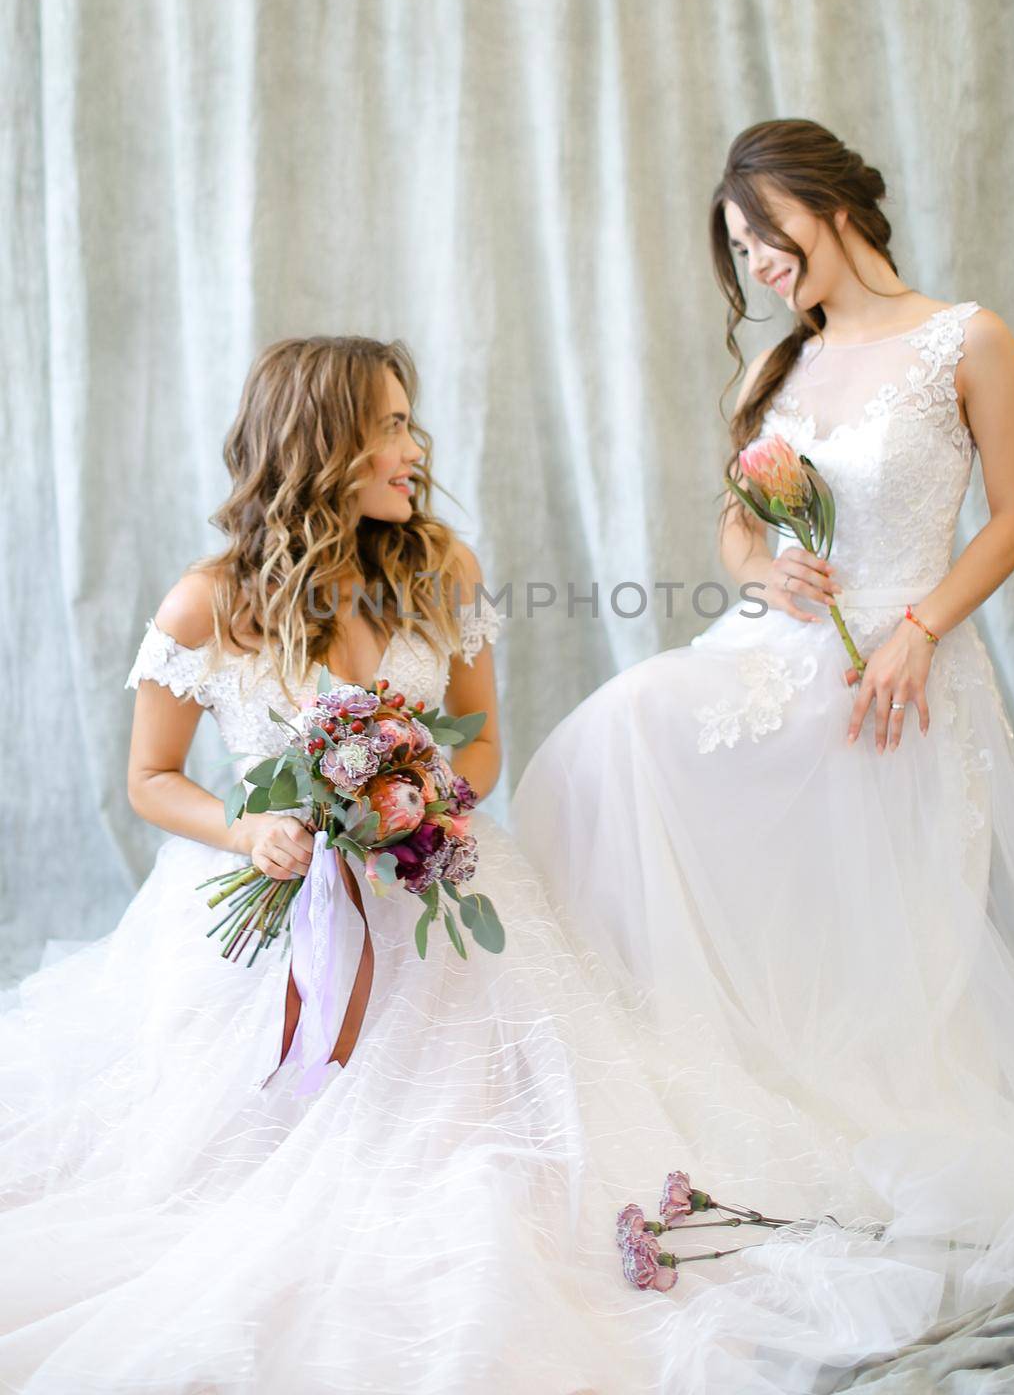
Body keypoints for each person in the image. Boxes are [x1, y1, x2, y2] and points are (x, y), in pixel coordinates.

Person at [2, 334, 776, 1394]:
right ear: (321, 444)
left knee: (497, 1147)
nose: (415, 449)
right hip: (279, 893)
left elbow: (482, 744)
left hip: (432, 879)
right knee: (215, 1170)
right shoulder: (208, 601)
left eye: (412, 423)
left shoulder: (440, 570)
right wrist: (252, 832)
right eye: (390, 427)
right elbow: (150, 778)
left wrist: (420, 802)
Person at [513, 119, 1014, 1385]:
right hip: (772, 649)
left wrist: (915, 627)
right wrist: (769, 561)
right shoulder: (784, 368)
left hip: (899, 667)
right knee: (616, 738)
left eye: (766, 235)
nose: (757, 264)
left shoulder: (963, 338)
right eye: (738, 250)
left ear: (827, 203)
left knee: (690, 777)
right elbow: (732, 531)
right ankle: (647, 1066)